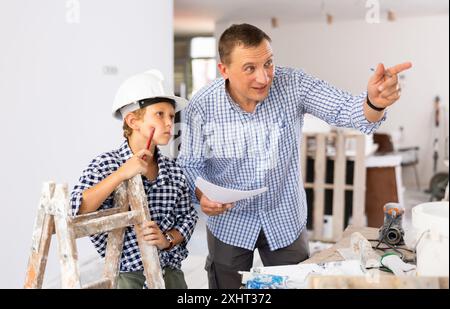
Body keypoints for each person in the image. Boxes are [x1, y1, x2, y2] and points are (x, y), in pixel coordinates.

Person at [178, 23, 412, 289]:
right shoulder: (202, 104)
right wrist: (201, 196)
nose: (264, 77)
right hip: (229, 222)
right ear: (224, 70)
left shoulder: (293, 84)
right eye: (249, 68)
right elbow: (189, 163)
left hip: (284, 216)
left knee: (295, 284)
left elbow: (346, 110)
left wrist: (374, 102)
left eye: (268, 63)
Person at [70, 69, 198, 289]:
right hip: (127, 278)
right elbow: (77, 210)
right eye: (160, 114)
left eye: (171, 115)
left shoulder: (174, 171)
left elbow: (188, 217)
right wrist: (122, 173)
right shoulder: (106, 164)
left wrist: (167, 239)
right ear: (132, 121)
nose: (169, 123)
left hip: (171, 278)